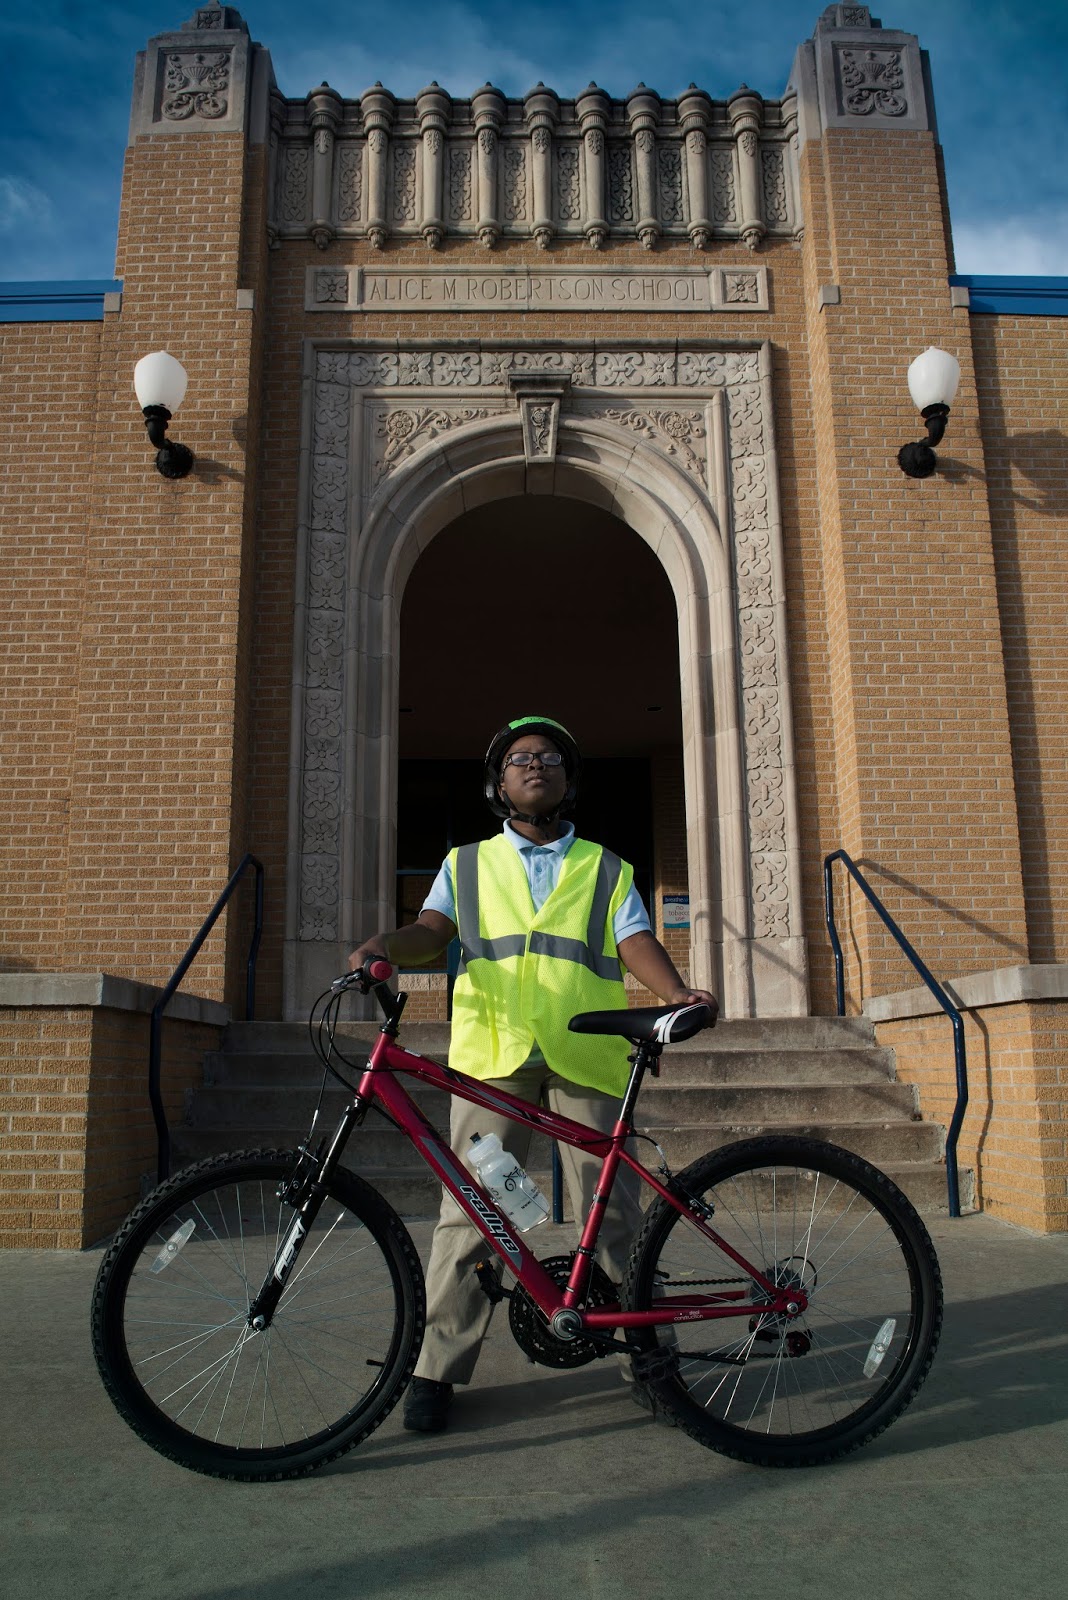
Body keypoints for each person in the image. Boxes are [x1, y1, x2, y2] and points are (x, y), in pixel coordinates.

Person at [348, 715, 718, 1433]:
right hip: (495, 1062)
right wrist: (383, 943)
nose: (536, 765)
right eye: (520, 758)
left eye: (550, 757)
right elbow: (430, 933)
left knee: (610, 1216)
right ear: (498, 782)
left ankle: (644, 1355)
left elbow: (634, 938)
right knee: (478, 1211)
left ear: (568, 779)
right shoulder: (465, 864)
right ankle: (436, 1370)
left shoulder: (607, 867)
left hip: (586, 1057)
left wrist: (675, 993)